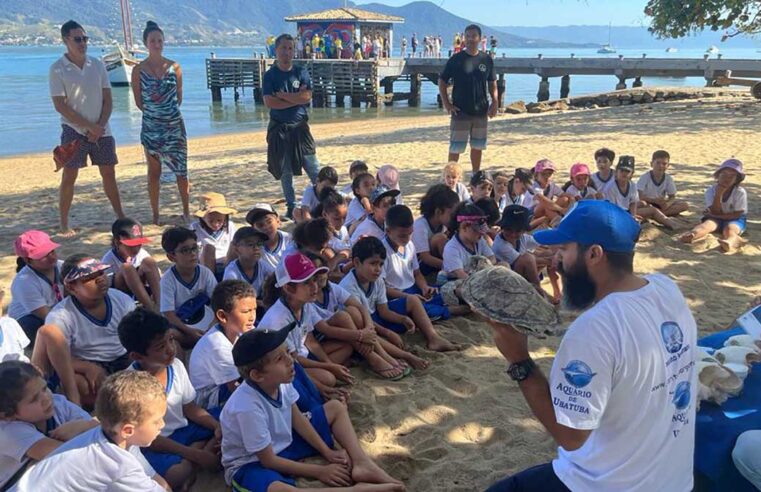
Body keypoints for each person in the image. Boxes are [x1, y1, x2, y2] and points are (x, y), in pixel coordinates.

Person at [485, 200, 697, 492]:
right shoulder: (666, 287)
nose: (556, 261)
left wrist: (519, 359)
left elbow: (571, 437)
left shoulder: (595, 329)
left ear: (594, 254)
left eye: (565, 250)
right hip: (674, 481)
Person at [220, 328, 404, 491]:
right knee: (279, 489)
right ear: (257, 375)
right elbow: (268, 460)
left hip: (284, 443)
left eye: (287, 352)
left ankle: (362, 463)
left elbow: (297, 418)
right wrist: (320, 471)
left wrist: (327, 452)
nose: (290, 360)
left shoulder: (280, 382)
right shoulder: (246, 407)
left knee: (335, 408)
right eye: (279, 358)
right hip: (253, 462)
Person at [13, 371, 172, 491]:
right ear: (128, 430)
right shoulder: (119, 463)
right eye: (157, 420)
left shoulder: (103, 437)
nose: (162, 424)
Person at [119, 308, 221, 490]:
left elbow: (190, 409)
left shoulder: (176, 366)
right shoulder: (131, 387)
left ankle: (194, 460)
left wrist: (216, 426)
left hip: (185, 430)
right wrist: (196, 455)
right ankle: (196, 458)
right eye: (160, 347)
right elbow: (150, 439)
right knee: (175, 475)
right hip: (158, 443)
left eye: (171, 340)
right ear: (137, 356)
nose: (170, 349)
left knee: (227, 418)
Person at [49, 20, 124, 237]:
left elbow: (108, 99)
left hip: (102, 129)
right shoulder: (57, 69)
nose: (83, 43)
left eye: (85, 39)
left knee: (109, 172)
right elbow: (60, 105)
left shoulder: (97, 65)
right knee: (69, 175)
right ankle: (63, 223)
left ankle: (120, 215)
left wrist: (99, 126)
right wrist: (88, 126)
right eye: (78, 39)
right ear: (66, 41)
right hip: (73, 131)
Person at [31, 255, 135, 408]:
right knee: (81, 385)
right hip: (86, 363)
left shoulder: (122, 300)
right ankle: (78, 404)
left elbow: (136, 338)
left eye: (101, 273)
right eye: (89, 277)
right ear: (71, 287)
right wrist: (87, 367)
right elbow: (57, 357)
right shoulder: (60, 316)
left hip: (123, 357)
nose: (100, 279)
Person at [258, 253, 353, 402]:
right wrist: (329, 369)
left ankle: (326, 372)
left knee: (346, 348)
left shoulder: (305, 304)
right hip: (288, 365)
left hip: (301, 356)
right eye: (306, 283)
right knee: (329, 378)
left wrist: (329, 364)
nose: (314, 286)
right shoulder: (278, 320)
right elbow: (293, 360)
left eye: (314, 280)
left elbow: (310, 340)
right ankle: (321, 381)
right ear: (289, 288)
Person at [340, 237, 460, 352]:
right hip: (363, 324)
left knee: (413, 299)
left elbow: (384, 311)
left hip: (376, 318)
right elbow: (362, 321)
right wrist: (388, 333)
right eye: (373, 263)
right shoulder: (348, 287)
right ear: (356, 262)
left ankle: (433, 338)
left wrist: (403, 319)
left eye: (381, 264)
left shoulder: (377, 281)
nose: (378, 269)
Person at [0, 360, 98, 490]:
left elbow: (99, 432)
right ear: (7, 415)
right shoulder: (8, 432)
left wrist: (84, 425)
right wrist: (86, 427)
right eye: (34, 399)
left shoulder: (58, 403)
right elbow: (69, 455)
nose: (46, 398)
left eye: (45, 388)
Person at [131, 21, 190, 225]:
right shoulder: (138, 70)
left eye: (160, 40)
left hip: (174, 127)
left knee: (181, 172)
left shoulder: (175, 67)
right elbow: (139, 102)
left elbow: (179, 97)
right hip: (151, 128)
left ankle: (186, 209)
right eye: (152, 41)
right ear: (146, 43)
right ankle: (156, 214)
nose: (157, 44)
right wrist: (156, 115)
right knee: (153, 173)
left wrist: (167, 114)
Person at [264, 34, 321, 221]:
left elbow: (307, 97)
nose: (287, 52)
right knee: (285, 171)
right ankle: (291, 207)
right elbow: (270, 102)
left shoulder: (301, 71)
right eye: (283, 48)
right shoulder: (270, 75)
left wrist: (284, 96)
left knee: (313, 167)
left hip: (300, 128)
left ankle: (324, 200)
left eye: (290, 48)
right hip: (279, 129)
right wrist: (294, 99)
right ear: (276, 50)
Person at [438, 24, 498, 172]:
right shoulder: (456, 59)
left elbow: (492, 83)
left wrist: (495, 102)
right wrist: (447, 103)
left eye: (473, 36)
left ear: (479, 38)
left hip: (481, 110)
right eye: (468, 36)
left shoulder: (486, 59)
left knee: (478, 147)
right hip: (460, 110)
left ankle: (475, 175)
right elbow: (442, 81)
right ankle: (451, 175)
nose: (470, 39)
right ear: (464, 38)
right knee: (456, 147)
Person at [189, 280, 255, 410]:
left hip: (234, 381)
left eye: (254, 310)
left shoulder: (243, 329)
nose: (252, 317)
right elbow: (234, 388)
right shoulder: (216, 345)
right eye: (246, 311)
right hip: (209, 397)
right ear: (222, 316)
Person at [159, 227, 218, 344]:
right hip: (181, 325)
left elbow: (217, 300)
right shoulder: (167, 280)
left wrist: (213, 323)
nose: (193, 254)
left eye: (194, 248)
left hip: (206, 319)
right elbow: (168, 313)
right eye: (185, 250)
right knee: (170, 335)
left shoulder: (205, 273)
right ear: (171, 257)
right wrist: (190, 331)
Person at [492, 205, 560, 302]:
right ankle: (539, 292)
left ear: (523, 231)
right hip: (507, 280)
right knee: (529, 258)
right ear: (502, 227)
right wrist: (552, 260)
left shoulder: (522, 238)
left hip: (520, 274)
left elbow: (541, 241)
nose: (512, 234)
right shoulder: (500, 244)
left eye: (518, 231)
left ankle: (556, 292)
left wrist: (556, 251)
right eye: (508, 229)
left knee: (548, 252)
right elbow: (525, 260)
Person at [680, 158, 748, 252]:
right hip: (716, 217)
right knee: (706, 226)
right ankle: (693, 235)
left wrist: (715, 215)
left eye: (731, 176)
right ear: (718, 175)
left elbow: (737, 214)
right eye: (724, 174)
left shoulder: (740, 192)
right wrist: (718, 195)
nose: (727, 179)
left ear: (736, 179)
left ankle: (731, 241)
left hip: (734, 219)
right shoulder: (711, 191)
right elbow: (715, 210)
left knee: (729, 230)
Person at [9, 230, 64, 342]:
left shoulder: (61, 266)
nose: (51, 257)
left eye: (52, 251)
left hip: (56, 308)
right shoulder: (24, 281)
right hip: (30, 316)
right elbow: (45, 315)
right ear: (27, 260)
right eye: (43, 255)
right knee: (39, 329)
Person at [101, 217, 161, 312]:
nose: (136, 249)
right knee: (127, 268)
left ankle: (161, 304)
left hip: (141, 291)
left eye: (139, 244)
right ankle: (151, 309)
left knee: (149, 262)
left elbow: (157, 277)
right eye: (131, 245)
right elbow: (105, 286)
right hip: (120, 294)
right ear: (117, 242)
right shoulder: (109, 259)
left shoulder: (142, 254)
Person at [603, 156, 678, 229]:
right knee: (651, 210)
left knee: (648, 207)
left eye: (628, 171)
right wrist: (630, 218)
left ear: (632, 174)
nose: (624, 174)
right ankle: (671, 224)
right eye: (622, 171)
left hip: (627, 211)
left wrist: (633, 215)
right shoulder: (611, 187)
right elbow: (611, 208)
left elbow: (633, 203)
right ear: (616, 172)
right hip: (615, 214)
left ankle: (671, 224)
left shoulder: (632, 185)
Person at [440, 202, 496, 282]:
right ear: (464, 227)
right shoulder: (451, 248)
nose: (481, 233)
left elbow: (492, 258)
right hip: (457, 281)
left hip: (478, 276)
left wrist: (484, 266)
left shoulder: (479, 241)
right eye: (476, 229)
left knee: (504, 265)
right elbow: (461, 275)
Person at [413, 184, 460, 276]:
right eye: (452, 214)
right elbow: (425, 257)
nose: (455, 218)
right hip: (421, 267)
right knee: (440, 238)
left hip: (439, 263)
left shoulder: (444, 225)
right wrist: (451, 266)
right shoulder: (420, 225)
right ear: (438, 212)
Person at [190, 192, 238, 280]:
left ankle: (230, 281)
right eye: (211, 221)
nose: (216, 224)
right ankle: (210, 284)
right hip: (206, 265)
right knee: (209, 248)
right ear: (203, 218)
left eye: (219, 220)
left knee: (235, 245)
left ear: (225, 217)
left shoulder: (230, 226)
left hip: (227, 263)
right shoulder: (195, 228)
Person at [223, 227, 274, 309]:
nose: (256, 248)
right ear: (237, 249)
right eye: (250, 244)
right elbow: (231, 299)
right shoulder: (232, 271)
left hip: (257, 306)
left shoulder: (262, 265)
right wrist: (261, 303)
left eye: (259, 244)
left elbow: (276, 278)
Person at [637, 150, 689, 217]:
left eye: (664, 164)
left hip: (660, 204)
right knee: (641, 204)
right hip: (647, 202)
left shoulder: (668, 179)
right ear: (651, 163)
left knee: (684, 205)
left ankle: (657, 214)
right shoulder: (645, 177)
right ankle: (657, 214)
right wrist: (654, 200)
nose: (661, 166)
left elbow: (672, 196)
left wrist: (667, 204)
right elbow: (639, 196)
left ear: (668, 165)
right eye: (658, 163)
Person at [246, 203, 293, 270]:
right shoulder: (254, 249)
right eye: (260, 225)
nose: (266, 227)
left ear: (278, 221)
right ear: (254, 229)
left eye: (269, 221)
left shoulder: (290, 240)